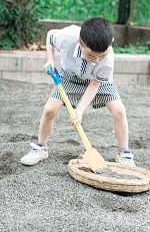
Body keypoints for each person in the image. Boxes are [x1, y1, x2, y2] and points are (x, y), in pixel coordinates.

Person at [20, 16, 135, 167]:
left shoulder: (106, 61)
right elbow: (50, 35)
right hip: (69, 77)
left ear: (111, 43)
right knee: (49, 109)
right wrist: (50, 60)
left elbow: (94, 85)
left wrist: (79, 110)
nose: (95, 60)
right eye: (90, 55)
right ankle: (41, 147)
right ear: (79, 42)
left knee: (119, 111)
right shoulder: (67, 37)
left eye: (102, 55)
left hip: (97, 80)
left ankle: (124, 153)